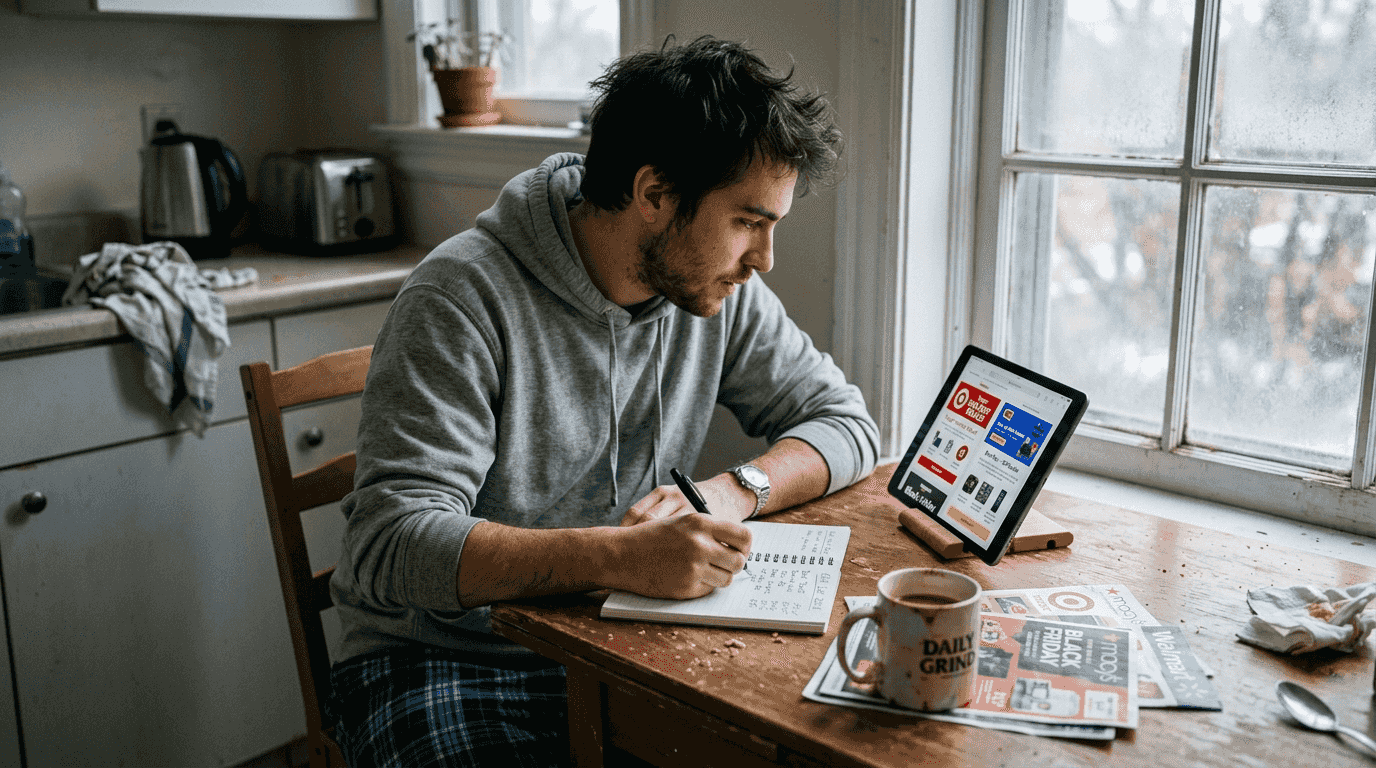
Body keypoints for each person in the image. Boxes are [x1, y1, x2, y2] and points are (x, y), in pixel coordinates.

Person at [327, 35, 880, 767]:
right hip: (446, 662)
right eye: (748, 221)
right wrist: (616, 557)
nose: (764, 259)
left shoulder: (713, 289)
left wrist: (734, 490)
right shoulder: (459, 298)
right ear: (654, 195)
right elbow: (389, 545)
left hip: (619, 647)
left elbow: (848, 425)